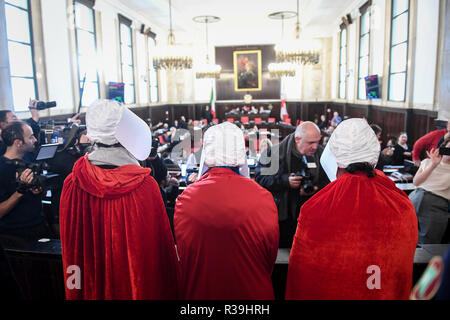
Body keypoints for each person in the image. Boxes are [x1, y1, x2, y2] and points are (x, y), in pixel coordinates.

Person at [286, 118, 418, 300]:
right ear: (374, 154)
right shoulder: (401, 204)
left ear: (335, 157)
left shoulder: (315, 207)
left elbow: (302, 273)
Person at [59, 99, 178, 299]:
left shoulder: (72, 183)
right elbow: (159, 252)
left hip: (91, 284)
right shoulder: (145, 186)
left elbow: (73, 248)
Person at [174, 122, 279, 299]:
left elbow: (185, 255)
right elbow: (269, 258)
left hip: (203, 292)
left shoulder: (186, 199)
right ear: (241, 154)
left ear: (206, 154)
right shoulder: (263, 197)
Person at [255, 122, 329, 248]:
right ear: (297, 139)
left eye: (318, 142)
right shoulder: (272, 154)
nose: (315, 147)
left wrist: (315, 189)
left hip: (312, 220)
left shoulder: (322, 155)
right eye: (311, 143)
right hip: (283, 219)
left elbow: (331, 182)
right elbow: (260, 179)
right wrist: (285, 181)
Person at [0, 122, 52, 241]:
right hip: (14, 234)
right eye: (30, 137)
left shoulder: (28, 161)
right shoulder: (2, 169)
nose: (34, 140)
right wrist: (20, 191)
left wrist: (38, 190)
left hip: (38, 226)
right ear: (18, 143)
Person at [409, 137, 450, 244]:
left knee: (428, 243)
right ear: (443, 148)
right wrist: (433, 164)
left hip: (437, 203)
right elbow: (416, 182)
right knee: (407, 237)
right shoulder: (428, 162)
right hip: (415, 197)